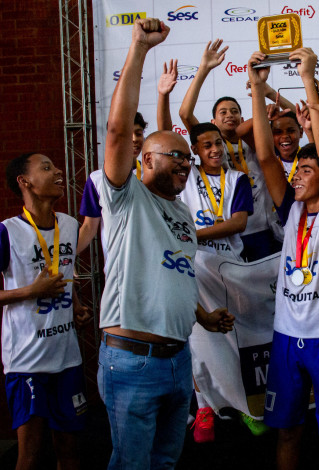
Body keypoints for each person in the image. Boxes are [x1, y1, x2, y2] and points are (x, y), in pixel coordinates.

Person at [97, 18, 234, 468]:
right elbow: (118, 131)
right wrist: (139, 48)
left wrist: (203, 316)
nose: (186, 164)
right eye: (176, 155)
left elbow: (174, 271)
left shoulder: (180, 212)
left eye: (188, 159)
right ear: (145, 158)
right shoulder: (125, 196)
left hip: (178, 360)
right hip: (133, 361)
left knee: (165, 462)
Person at [248, 48, 319, 470]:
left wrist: (307, 78)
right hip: (285, 337)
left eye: (305, 170)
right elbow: (264, 158)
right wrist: (259, 91)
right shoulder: (290, 209)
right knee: (287, 431)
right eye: (296, 170)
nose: (296, 175)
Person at [1, 152, 91, 470]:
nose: (58, 170)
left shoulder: (67, 224)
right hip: (27, 362)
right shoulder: (8, 232)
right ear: (25, 182)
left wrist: (77, 306)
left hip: (66, 358)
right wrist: (30, 291)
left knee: (70, 452)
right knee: (30, 455)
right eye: (47, 167)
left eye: (55, 165)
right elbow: (34, 286)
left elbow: (62, 275)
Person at [178, 121, 254, 442]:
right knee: (198, 340)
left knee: (234, 337)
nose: (214, 150)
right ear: (194, 150)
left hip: (231, 269)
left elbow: (237, 224)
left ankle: (242, 404)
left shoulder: (238, 179)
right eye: (206, 145)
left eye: (218, 144)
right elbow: (182, 117)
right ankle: (204, 407)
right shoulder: (184, 179)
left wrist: (192, 235)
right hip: (193, 269)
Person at [179, 39, 285, 261]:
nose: (230, 115)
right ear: (213, 121)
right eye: (223, 112)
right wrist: (204, 70)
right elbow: (185, 114)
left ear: (242, 116)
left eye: (235, 111)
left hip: (261, 229)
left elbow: (291, 116)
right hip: (226, 232)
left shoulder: (250, 139)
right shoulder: (210, 145)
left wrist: (266, 93)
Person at [76, 111, 149, 256]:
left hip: (155, 258)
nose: (135, 139)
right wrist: (70, 257)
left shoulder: (153, 174)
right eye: (128, 133)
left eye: (139, 133)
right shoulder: (97, 179)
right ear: (113, 137)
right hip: (119, 263)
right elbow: (89, 227)